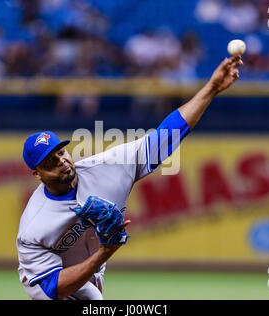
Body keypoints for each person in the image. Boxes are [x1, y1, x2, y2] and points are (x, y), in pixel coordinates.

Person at [17, 56, 243, 300]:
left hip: (92, 269)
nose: (61, 161)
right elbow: (53, 287)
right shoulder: (33, 227)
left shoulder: (106, 168)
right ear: (37, 174)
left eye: (61, 152)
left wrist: (211, 88)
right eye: (50, 161)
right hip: (50, 283)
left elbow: (163, 136)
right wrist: (104, 253)